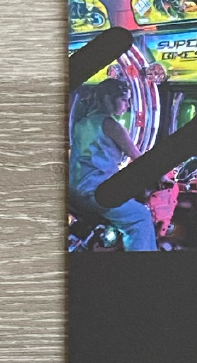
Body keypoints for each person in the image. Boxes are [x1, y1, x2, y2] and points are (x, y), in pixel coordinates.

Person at [67, 66, 165, 251]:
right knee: (141, 217)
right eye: (124, 100)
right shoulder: (111, 124)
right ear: (107, 99)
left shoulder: (82, 123)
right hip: (96, 191)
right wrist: (162, 175)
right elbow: (138, 158)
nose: (127, 106)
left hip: (76, 189)